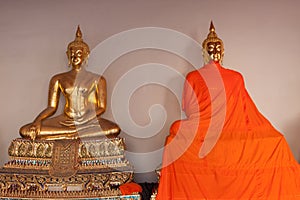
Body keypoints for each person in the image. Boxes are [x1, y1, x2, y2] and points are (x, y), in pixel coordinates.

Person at [156, 21, 300, 199]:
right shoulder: (206, 77)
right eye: (213, 48)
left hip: (208, 131)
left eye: (216, 48)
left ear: (220, 52)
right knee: (176, 129)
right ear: (209, 52)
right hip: (207, 127)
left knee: (176, 131)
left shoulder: (219, 77)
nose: (215, 52)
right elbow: (245, 112)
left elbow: (189, 108)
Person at [19, 26, 120, 141]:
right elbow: (52, 107)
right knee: (25, 130)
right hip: (64, 120)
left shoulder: (98, 79)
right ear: (68, 55)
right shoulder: (58, 78)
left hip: (88, 121)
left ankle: (67, 135)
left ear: (86, 55)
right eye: (72, 53)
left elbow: (101, 108)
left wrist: (84, 119)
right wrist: (37, 121)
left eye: (79, 53)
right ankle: (73, 134)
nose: (75, 56)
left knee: (114, 129)